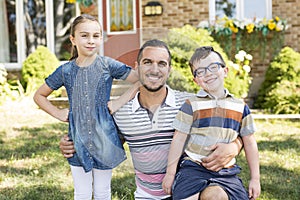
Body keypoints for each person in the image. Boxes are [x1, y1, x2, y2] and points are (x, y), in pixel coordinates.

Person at [60, 40, 243, 199]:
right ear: (137, 67)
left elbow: (236, 126)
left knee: (214, 195)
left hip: (189, 190)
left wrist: (234, 146)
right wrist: (71, 143)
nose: (155, 69)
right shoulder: (121, 112)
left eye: (162, 64)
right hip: (146, 195)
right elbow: (100, 143)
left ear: (169, 70)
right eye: (148, 62)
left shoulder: (190, 103)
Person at [33, 14, 139, 200]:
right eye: (85, 35)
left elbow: (139, 80)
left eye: (96, 36)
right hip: (77, 139)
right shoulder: (65, 71)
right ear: (73, 39)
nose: (91, 41)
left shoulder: (107, 65)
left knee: (102, 191)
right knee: (81, 192)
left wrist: (118, 102)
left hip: (104, 137)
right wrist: (58, 113)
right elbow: (39, 95)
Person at [162, 46, 261, 200]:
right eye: (200, 71)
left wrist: (255, 179)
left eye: (213, 67)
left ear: (225, 71)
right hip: (193, 167)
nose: (208, 73)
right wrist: (170, 173)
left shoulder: (240, 106)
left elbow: (250, 142)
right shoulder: (191, 105)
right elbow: (179, 139)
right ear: (196, 80)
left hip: (226, 171)